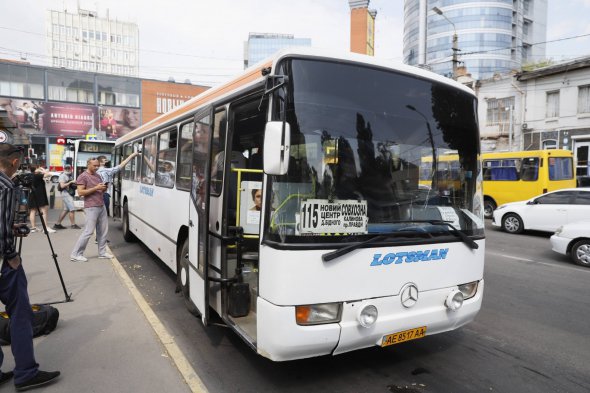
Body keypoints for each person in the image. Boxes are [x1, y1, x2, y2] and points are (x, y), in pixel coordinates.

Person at [0, 144, 61, 390]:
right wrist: (12, 255)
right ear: (14, 162)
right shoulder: (5, 187)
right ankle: (26, 373)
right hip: (4, 264)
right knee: (20, 314)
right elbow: (3, 230)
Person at [69, 158, 109, 262]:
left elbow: (100, 189)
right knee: (88, 231)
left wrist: (104, 188)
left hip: (101, 205)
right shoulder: (82, 176)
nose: (96, 167)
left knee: (103, 231)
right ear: (88, 164)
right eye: (94, 165)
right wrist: (96, 188)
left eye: (98, 166)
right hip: (91, 207)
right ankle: (76, 254)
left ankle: (102, 253)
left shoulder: (98, 175)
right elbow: (81, 192)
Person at [26, 166, 55, 234]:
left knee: (33, 210)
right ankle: (46, 228)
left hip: (33, 194)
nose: (40, 169)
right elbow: (50, 174)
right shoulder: (37, 175)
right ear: (35, 169)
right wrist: (43, 170)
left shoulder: (31, 175)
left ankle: (33, 228)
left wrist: (41, 170)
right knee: (44, 210)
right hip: (40, 195)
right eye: (38, 168)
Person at [52, 166, 80, 230]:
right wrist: (70, 182)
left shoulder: (69, 175)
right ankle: (73, 225)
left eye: (68, 168)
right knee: (72, 209)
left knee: (66, 210)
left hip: (68, 193)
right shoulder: (62, 176)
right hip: (66, 194)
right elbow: (62, 186)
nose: (67, 169)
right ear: (64, 169)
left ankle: (57, 224)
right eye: (66, 168)